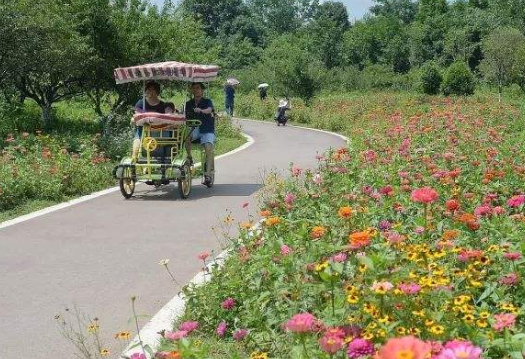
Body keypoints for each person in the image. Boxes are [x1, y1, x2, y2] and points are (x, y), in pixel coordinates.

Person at [185, 83, 215, 185]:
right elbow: (185, 116)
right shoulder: (189, 103)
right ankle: (189, 157)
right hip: (195, 129)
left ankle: (208, 175)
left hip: (207, 129)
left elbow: (209, 110)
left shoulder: (207, 101)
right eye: (194, 88)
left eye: (198, 88)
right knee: (186, 136)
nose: (196, 90)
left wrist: (201, 110)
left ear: (202, 90)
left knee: (208, 148)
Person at [132, 81, 169, 161]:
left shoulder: (162, 105)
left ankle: (158, 157)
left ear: (157, 92)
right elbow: (137, 114)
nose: (150, 92)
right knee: (138, 133)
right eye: (148, 89)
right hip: (143, 128)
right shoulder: (141, 102)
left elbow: (165, 118)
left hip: (158, 130)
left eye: (153, 90)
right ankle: (134, 159)